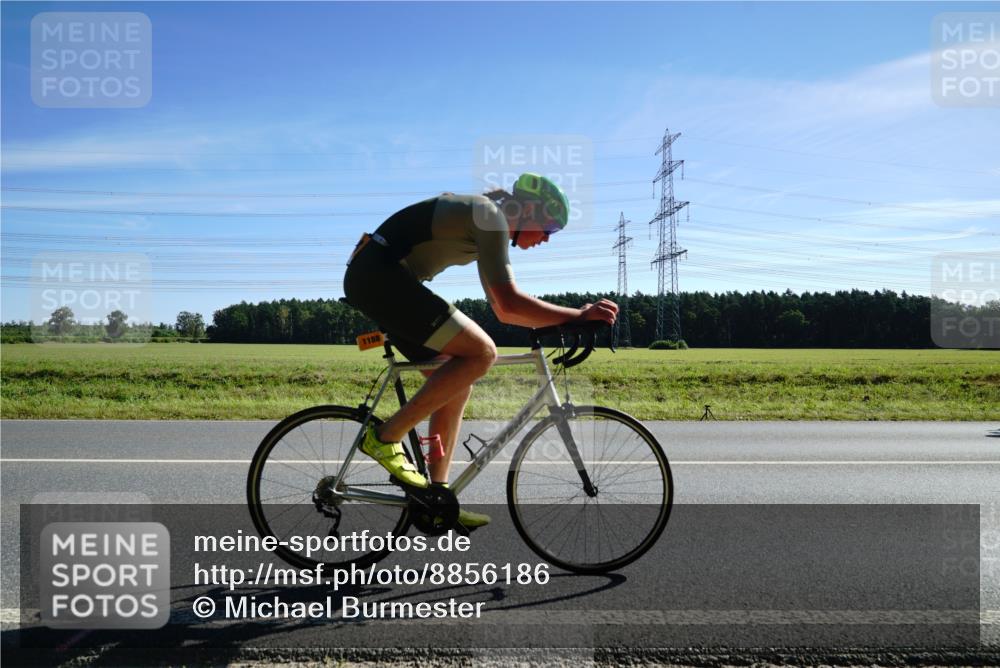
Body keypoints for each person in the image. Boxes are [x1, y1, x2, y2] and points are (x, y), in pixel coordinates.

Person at [343, 173, 618, 529]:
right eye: (549, 227)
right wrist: (577, 316)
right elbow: (508, 305)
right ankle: (385, 438)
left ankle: (436, 497)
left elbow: (506, 306)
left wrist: (567, 320)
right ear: (530, 209)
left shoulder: (488, 220)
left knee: (457, 381)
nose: (547, 239)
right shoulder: (489, 217)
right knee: (482, 353)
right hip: (379, 277)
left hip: (384, 280)